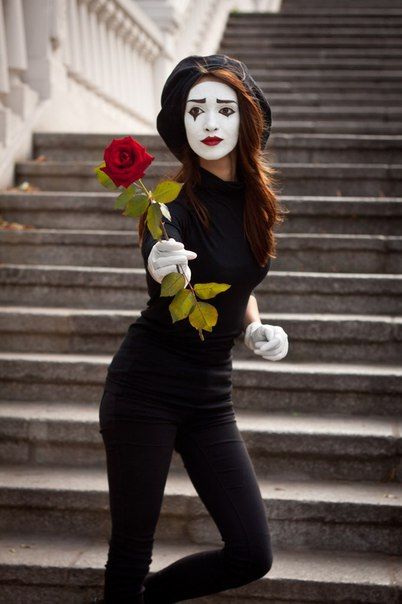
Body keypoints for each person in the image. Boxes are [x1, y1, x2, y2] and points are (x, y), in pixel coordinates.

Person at [96, 54, 289, 604]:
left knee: (252, 553)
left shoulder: (258, 201)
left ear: (245, 120)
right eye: (195, 110)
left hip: (210, 396)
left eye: (224, 110)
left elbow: (236, 282)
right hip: (145, 389)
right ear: (181, 124)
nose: (209, 123)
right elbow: (166, 261)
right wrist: (159, 265)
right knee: (132, 550)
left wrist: (254, 327)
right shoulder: (166, 205)